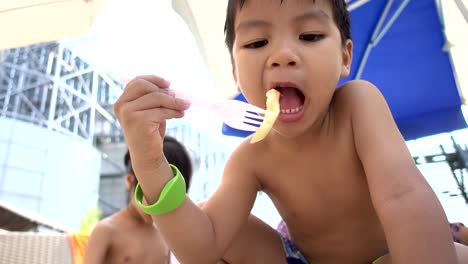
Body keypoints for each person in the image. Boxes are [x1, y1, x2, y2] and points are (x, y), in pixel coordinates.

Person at [113, 0, 468, 263]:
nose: (283, 54)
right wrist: (148, 162)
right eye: (256, 43)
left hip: (393, 254)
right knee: (218, 228)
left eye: (309, 35)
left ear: (345, 57)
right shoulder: (251, 158)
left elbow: (403, 196)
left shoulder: (358, 106)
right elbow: (201, 247)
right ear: (236, 73)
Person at [83, 136, 193, 264]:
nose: (159, 209)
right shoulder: (106, 231)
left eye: (168, 202)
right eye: (155, 196)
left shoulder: (165, 236)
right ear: (130, 181)